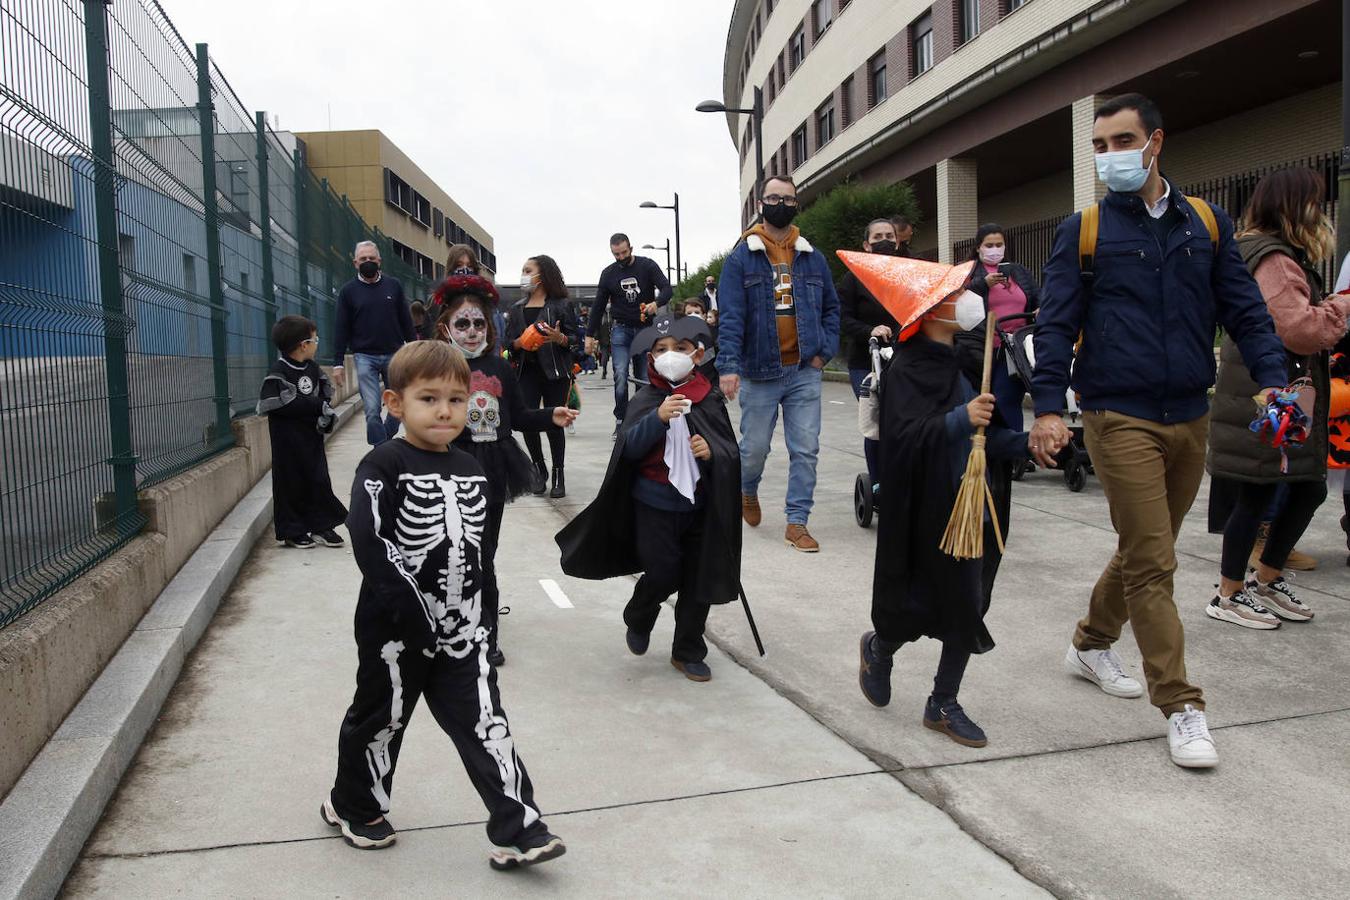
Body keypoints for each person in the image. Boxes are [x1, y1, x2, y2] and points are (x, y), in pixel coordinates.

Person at [1029, 93, 1287, 770]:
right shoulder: (1083, 231)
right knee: (1153, 562)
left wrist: (1272, 377)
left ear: (1155, 143)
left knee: (1148, 547)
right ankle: (1181, 705)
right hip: (1117, 414)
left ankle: (1090, 643)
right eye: (1100, 145)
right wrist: (1048, 407)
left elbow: (1245, 310)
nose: (1110, 155)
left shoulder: (1206, 222)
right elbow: (1054, 324)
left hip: (1189, 414)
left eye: (1122, 141)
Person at [323, 340, 565, 869]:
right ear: (394, 403)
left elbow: (477, 550)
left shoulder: (471, 467)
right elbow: (369, 540)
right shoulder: (382, 464)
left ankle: (519, 827)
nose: (444, 411)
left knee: (488, 724)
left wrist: (479, 620)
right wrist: (412, 613)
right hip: (394, 630)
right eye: (428, 399)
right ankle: (352, 804)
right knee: (381, 719)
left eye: (456, 400)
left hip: (463, 631)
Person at [850, 255, 1027, 748]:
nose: (968, 300)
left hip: (972, 503)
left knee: (967, 603)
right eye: (954, 295)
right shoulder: (907, 369)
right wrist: (959, 419)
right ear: (930, 312)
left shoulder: (965, 362)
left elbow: (984, 436)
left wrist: (1026, 444)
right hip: (927, 509)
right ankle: (880, 648)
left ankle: (942, 702)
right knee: (915, 602)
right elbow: (903, 440)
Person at [556, 313, 741, 682]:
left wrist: (712, 453)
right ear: (651, 357)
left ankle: (688, 650)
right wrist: (657, 418)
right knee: (663, 572)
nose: (671, 355)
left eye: (680, 348)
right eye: (662, 349)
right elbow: (629, 449)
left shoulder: (709, 397)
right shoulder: (646, 398)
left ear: (697, 354)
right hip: (654, 504)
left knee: (698, 580)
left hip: (699, 507)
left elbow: (729, 451)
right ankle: (639, 613)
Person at [1205, 167, 1350, 629]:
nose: (1320, 212)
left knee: (1303, 488)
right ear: (1292, 206)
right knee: (1258, 491)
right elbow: (1299, 329)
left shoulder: (1268, 252)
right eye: (1314, 202)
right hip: (1268, 395)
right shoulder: (1273, 259)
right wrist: (1342, 305)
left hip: (1277, 393)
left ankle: (1265, 579)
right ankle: (1229, 593)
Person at [433, 275, 578, 666]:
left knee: (484, 555)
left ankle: (487, 633)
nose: (472, 331)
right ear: (446, 327)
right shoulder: (438, 368)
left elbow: (518, 416)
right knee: (453, 553)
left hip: (495, 468)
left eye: (479, 323)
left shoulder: (499, 366)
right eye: (463, 323)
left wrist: (550, 415)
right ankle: (452, 622)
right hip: (452, 469)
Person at [717, 175, 841, 553]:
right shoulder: (742, 258)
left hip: (804, 371)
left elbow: (831, 308)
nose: (781, 205)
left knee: (806, 449)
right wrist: (728, 365)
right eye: (774, 198)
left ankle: (797, 521)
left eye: (788, 199)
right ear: (760, 204)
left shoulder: (812, 256)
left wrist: (823, 353)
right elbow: (731, 316)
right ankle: (747, 489)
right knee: (754, 449)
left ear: (796, 204)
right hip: (759, 371)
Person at [256, 315, 347, 550]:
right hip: (287, 442)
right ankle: (293, 530)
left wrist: (323, 410)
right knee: (290, 483)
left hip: (311, 438)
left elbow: (324, 395)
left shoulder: (313, 369)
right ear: (303, 345)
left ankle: (321, 526)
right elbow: (279, 403)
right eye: (315, 340)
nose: (317, 344)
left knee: (318, 479)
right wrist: (315, 405)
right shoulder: (279, 371)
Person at [505, 255, 578, 499]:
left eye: (528, 270)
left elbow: (575, 341)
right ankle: (538, 468)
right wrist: (521, 342)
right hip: (526, 372)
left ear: (543, 274)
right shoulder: (516, 308)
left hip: (555, 373)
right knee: (527, 419)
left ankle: (558, 473)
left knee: (554, 423)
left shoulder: (561, 305)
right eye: (523, 270)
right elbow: (508, 344)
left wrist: (560, 338)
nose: (524, 275)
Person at [838, 218, 904, 490]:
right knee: (876, 419)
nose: (884, 241)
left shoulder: (906, 274)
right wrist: (870, 331)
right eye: (878, 237)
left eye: (889, 235)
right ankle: (877, 481)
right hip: (865, 362)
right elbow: (843, 318)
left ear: (897, 242)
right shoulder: (853, 279)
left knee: (904, 418)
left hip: (903, 358)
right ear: (866, 245)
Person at [330, 240, 416, 446]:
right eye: (363, 259)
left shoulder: (394, 286)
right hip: (364, 357)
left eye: (371, 258)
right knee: (371, 408)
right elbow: (341, 327)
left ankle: (384, 437)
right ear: (355, 263)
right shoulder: (348, 291)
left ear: (379, 261)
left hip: (394, 354)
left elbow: (406, 320)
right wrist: (338, 363)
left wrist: (415, 349)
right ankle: (380, 449)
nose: (367, 262)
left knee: (398, 403)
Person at [588, 233, 673, 433]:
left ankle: (640, 418)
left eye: (623, 253)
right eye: (616, 254)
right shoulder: (608, 274)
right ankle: (621, 419)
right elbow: (598, 306)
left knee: (643, 376)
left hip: (644, 329)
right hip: (621, 329)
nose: (620, 257)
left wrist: (656, 303)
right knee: (620, 374)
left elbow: (667, 289)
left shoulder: (647, 265)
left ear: (631, 249)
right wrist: (589, 335)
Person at [964, 223, 1041, 431]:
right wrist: (983, 284)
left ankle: (1013, 443)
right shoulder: (969, 272)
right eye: (989, 245)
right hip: (985, 347)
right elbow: (961, 301)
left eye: (999, 244)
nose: (995, 250)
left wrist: (1040, 308)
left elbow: (1036, 295)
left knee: (1010, 397)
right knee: (993, 398)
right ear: (978, 247)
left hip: (1016, 346)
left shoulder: (1018, 271)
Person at [446, 243, 507, 354]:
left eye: (469, 266)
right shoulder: (442, 300)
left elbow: (496, 337)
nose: (464, 269)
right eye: (459, 265)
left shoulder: (487, 299)